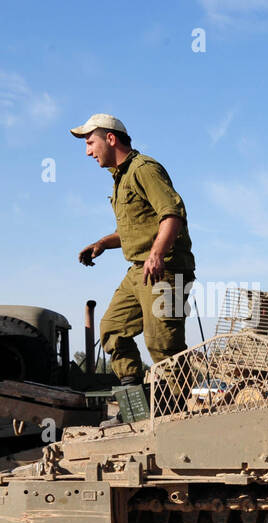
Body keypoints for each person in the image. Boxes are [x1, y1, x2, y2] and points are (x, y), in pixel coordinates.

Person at [72, 113, 195, 385]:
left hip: (167, 269)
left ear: (111, 139)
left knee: (163, 345)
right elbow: (135, 228)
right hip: (140, 270)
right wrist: (103, 243)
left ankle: (178, 408)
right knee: (112, 329)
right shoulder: (121, 178)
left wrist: (157, 254)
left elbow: (172, 215)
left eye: (91, 143)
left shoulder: (144, 169)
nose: (88, 151)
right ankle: (134, 397)